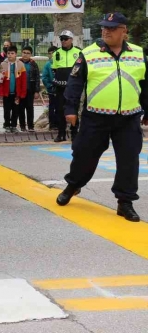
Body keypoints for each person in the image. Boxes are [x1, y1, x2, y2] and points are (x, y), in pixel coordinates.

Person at [56, 12, 147, 222]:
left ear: (124, 31)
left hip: (129, 117)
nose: (106, 31)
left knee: (129, 160)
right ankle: (73, 185)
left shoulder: (139, 54)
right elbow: (75, 84)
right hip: (95, 117)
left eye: (113, 28)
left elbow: (144, 85)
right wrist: (70, 110)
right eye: (104, 27)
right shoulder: (88, 54)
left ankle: (125, 202)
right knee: (83, 154)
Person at [52, 30, 81, 143]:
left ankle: (74, 133)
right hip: (60, 86)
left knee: (73, 109)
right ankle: (61, 134)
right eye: (61, 39)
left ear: (71, 39)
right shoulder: (56, 53)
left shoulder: (78, 52)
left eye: (66, 39)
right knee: (59, 110)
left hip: (73, 87)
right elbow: (54, 69)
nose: (63, 41)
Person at [0, 46, 27, 133]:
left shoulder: (21, 65)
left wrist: (22, 92)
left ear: (16, 54)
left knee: (15, 110)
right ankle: (7, 124)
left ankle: (14, 125)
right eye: (8, 53)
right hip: (7, 92)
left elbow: (23, 80)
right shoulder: (3, 64)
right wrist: (0, 92)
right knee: (6, 110)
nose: (10, 55)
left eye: (12, 53)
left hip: (16, 92)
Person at [18, 46, 40, 132]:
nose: (25, 55)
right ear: (21, 53)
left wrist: (37, 91)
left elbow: (37, 78)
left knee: (30, 108)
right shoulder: (18, 63)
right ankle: (22, 126)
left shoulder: (33, 64)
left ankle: (31, 126)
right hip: (20, 90)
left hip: (30, 89)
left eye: (28, 53)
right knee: (20, 108)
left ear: (31, 54)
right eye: (24, 52)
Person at [41, 45, 58, 129]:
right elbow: (44, 77)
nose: (51, 55)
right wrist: (50, 86)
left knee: (61, 107)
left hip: (62, 89)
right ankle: (52, 124)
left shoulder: (61, 63)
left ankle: (61, 123)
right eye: (49, 53)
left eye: (53, 53)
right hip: (52, 90)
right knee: (52, 107)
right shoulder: (48, 65)